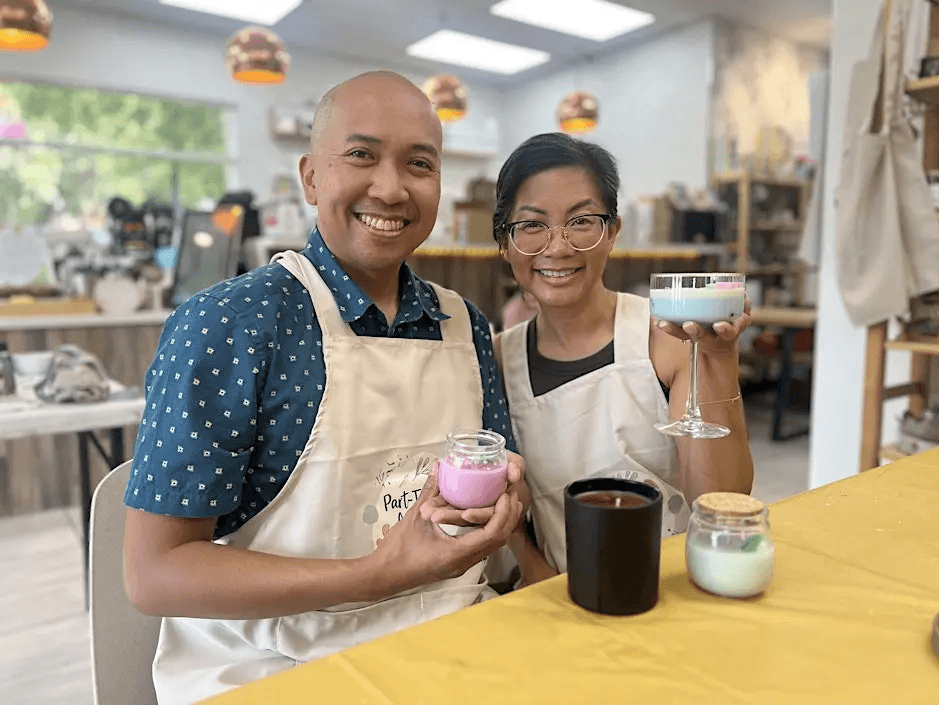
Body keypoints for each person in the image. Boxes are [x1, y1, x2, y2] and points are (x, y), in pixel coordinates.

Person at [122, 71, 525, 704]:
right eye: (361, 155)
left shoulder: (464, 325)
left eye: (419, 164)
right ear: (312, 176)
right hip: (272, 666)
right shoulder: (229, 325)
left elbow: (480, 483)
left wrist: (499, 505)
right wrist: (372, 576)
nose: (391, 188)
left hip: (447, 645)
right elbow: (155, 574)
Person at [482, 132, 753, 587]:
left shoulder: (664, 337)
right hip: (559, 591)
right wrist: (538, 574)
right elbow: (503, 503)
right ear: (505, 244)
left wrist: (717, 356)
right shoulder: (496, 361)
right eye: (532, 225)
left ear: (612, 232)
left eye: (582, 221)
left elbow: (720, 497)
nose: (558, 246)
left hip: (670, 585)